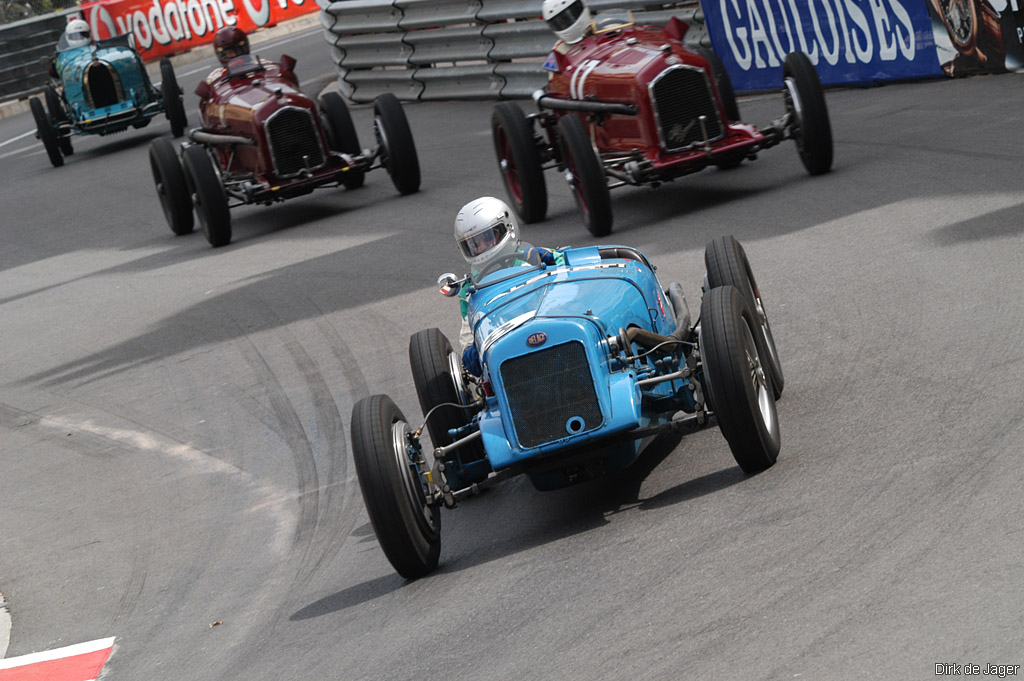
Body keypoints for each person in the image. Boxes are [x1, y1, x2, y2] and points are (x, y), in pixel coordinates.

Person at [453, 197, 564, 376]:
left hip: (551, 327)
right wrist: (472, 350)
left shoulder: (534, 257)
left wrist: (554, 264)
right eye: (474, 245)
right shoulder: (469, 290)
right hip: (505, 350)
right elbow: (468, 340)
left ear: (506, 229)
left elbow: (572, 272)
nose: (481, 248)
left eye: (486, 238)